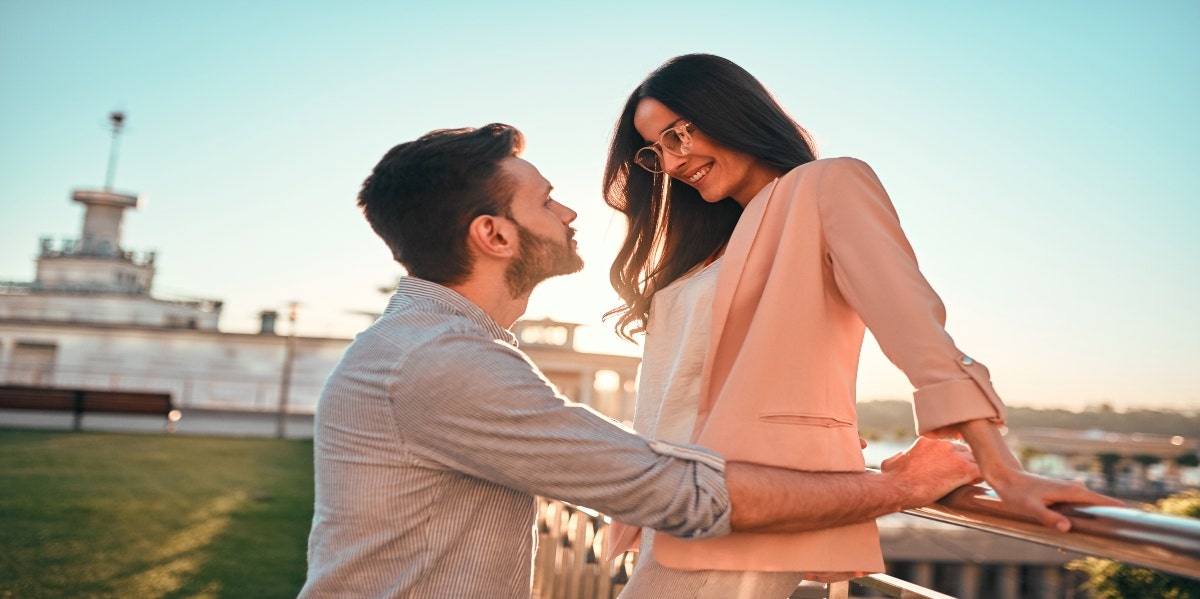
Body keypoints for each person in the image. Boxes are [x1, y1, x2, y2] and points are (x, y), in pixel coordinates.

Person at [298, 123, 984, 598]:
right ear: (494, 234)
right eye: (544, 199)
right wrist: (899, 486)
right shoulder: (440, 362)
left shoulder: (434, 346)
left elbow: (622, 460)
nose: (568, 211)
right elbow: (670, 490)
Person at [602, 54, 1123, 596]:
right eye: (655, 151)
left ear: (728, 111)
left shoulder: (826, 187)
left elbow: (916, 329)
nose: (672, 162)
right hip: (682, 507)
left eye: (677, 135)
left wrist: (1002, 469)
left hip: (740, 515)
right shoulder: (710, 245)